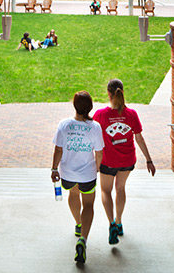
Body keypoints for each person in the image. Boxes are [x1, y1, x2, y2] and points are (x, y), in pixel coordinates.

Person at [93, 79, 155, 245]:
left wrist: (92, 162)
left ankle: (111, 223)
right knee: (120, 189)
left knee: (106, 191)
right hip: (127, 161)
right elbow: (139, 138)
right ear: (122, 92)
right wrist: (149, 160)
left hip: (108, 162)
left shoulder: (100, 115)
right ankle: (119, 222)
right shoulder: (131, 114)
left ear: (108, 94)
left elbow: (93, 139)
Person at [51, 91, 104, 264]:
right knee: (88, 204)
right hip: (87, 174)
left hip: (68, 173)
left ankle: (78, 224)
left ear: (75, 105)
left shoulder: (64, 125)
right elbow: (99, 152)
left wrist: (53, 169)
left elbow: (58, 150)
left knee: (73, 195)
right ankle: (83, 239)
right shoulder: (95, 127)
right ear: (90, 107)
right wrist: (96, 168)